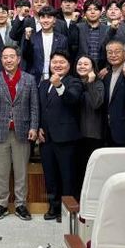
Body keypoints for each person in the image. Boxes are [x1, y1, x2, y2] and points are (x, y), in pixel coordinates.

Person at [0, 46, 38, 222]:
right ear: (1, 60)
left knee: (21, 170)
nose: (8, 60)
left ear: (18, 59)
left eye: (11, 57)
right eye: (5, 57)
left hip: (22, 130)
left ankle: (21, 204)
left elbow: (34, 106)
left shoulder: (29, 79)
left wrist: (34, 127)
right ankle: (2, 204)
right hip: (0, 130)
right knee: (2, 171)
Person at [38, 51, 83, 221]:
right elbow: (41, 108)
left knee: (67, 176)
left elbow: (72, 99)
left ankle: (67, 211)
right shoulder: (44, 84)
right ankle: (53, 207)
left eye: (61, 62)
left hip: (66, 137)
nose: (57, 65)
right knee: (50, 176)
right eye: (54, 62)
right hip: (46, 138)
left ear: (69, 65)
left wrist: (58, 86)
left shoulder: (74, 82)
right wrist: (39, 127)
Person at [73, 55, 104, 196]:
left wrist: (91, 83)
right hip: (75, 134)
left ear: (92, 67)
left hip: (92, 134)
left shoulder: (98, 83)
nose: (82, 66)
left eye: (86, 64)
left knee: (90, 172)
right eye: (79, 64)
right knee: (77, 172)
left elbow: (97, 103)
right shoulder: (73, 82)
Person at [100, 40, 125, 147]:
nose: (113, 55)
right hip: (108, 131)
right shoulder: (106, 74)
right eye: (110, 52)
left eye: (117, 52)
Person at [22, 6, 68, 83]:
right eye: (43, 17)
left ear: (54, 20)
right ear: (39, 20)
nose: (46, 20)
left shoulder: (62, 39)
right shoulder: (32, 37)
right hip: (35, 78)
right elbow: (26, 56)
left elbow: (65, 60)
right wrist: (27, 39)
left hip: (55, 77)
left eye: (49, 17)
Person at [76, 0, 107, 68]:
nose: (92, 12)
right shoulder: (78, 28)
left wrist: (107, 68)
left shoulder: (107, 29)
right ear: (84, 13)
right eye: (89, 9)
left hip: (102, 69)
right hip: (82, 69)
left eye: (96, 9)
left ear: (101, 12)